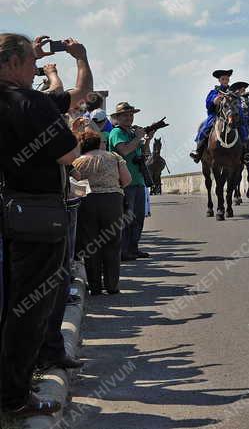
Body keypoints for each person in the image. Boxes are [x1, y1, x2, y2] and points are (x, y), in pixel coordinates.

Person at [0, 33, 80, 417]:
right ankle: (14, 396)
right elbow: (68, 152)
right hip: (35, 216)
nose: (36, 70)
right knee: (29, 310)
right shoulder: (29, 101)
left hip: (9, 208)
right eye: (31, 63)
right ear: (13, 64)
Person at [70, 129, 131, 294]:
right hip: (112, 201)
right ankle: (112, 285)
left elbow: (75, 186)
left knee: (90, 245)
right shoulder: (114, 157)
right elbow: (126, 180)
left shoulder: (77, 161)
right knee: (112, 243)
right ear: (99, 143)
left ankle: (95, 286)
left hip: (87, 202)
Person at [108, 101, 152, 260]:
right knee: (126, 218)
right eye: (125, 115)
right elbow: (124, 150)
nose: (129, 118)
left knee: (138, 217)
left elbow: (145, 154)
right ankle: (123, 250)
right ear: (118, 118)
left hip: (138, 181)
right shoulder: (116, 133)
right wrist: (138, 138)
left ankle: (133, 248)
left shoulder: (134, 133)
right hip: (124, 182)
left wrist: (147, 140)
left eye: (131, 115)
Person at [190, 69, 233, 162]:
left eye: (227, 79)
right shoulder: (214, 92)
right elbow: (208, 103)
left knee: (244, 127)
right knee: (205, 128)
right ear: (219, 80)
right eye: (223, 79)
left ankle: (247, 152)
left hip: (230, 115)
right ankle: (198, 151)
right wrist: (215, 100)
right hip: (216, 116)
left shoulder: (232, 92)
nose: (225, 81)